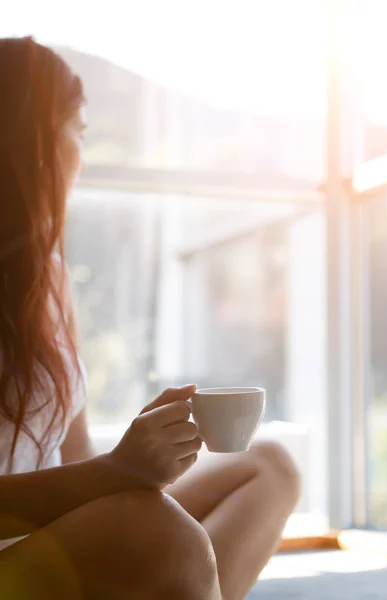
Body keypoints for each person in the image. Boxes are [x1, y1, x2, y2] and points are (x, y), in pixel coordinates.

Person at [0, 36, 300, 600]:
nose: (81, 157)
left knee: (270, 467)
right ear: (33, 143)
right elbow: (95, 477)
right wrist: (115, 475)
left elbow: (76, 458)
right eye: (78, 132)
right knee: (163, 538)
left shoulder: (51, 281)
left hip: (45, 541)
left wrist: (142, 459)